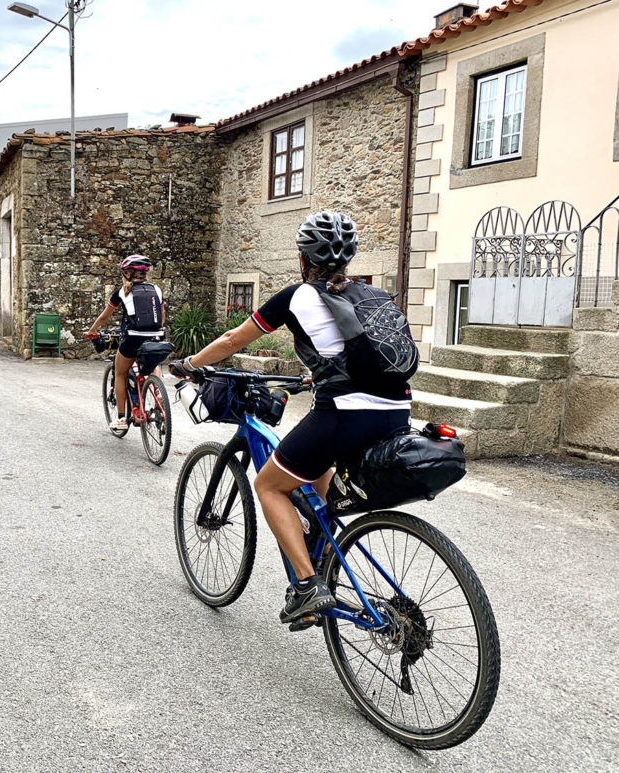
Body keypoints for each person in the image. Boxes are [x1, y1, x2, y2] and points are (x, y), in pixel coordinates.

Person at [170, 211, 412, 625]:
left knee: (269, 486)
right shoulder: (369, 295)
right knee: (320, 487)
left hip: (344, 414)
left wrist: (190, 363)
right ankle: (320, 556)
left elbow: (232, 340)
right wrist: (312, 374)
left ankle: (306, 586)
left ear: (304, 259)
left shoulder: (296, 297)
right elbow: (353, 352)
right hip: (396, 413)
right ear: (348, 260)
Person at [85, 255, 165, 431]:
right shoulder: (157, 290)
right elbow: (161, 316)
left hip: (133, 337)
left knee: (120, 373)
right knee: (153, 361)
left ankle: (121, 418)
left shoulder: (122, 292)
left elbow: (105, 316)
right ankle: (158, 391)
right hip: (157, 336)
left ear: (127, 274)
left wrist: (92, 330)